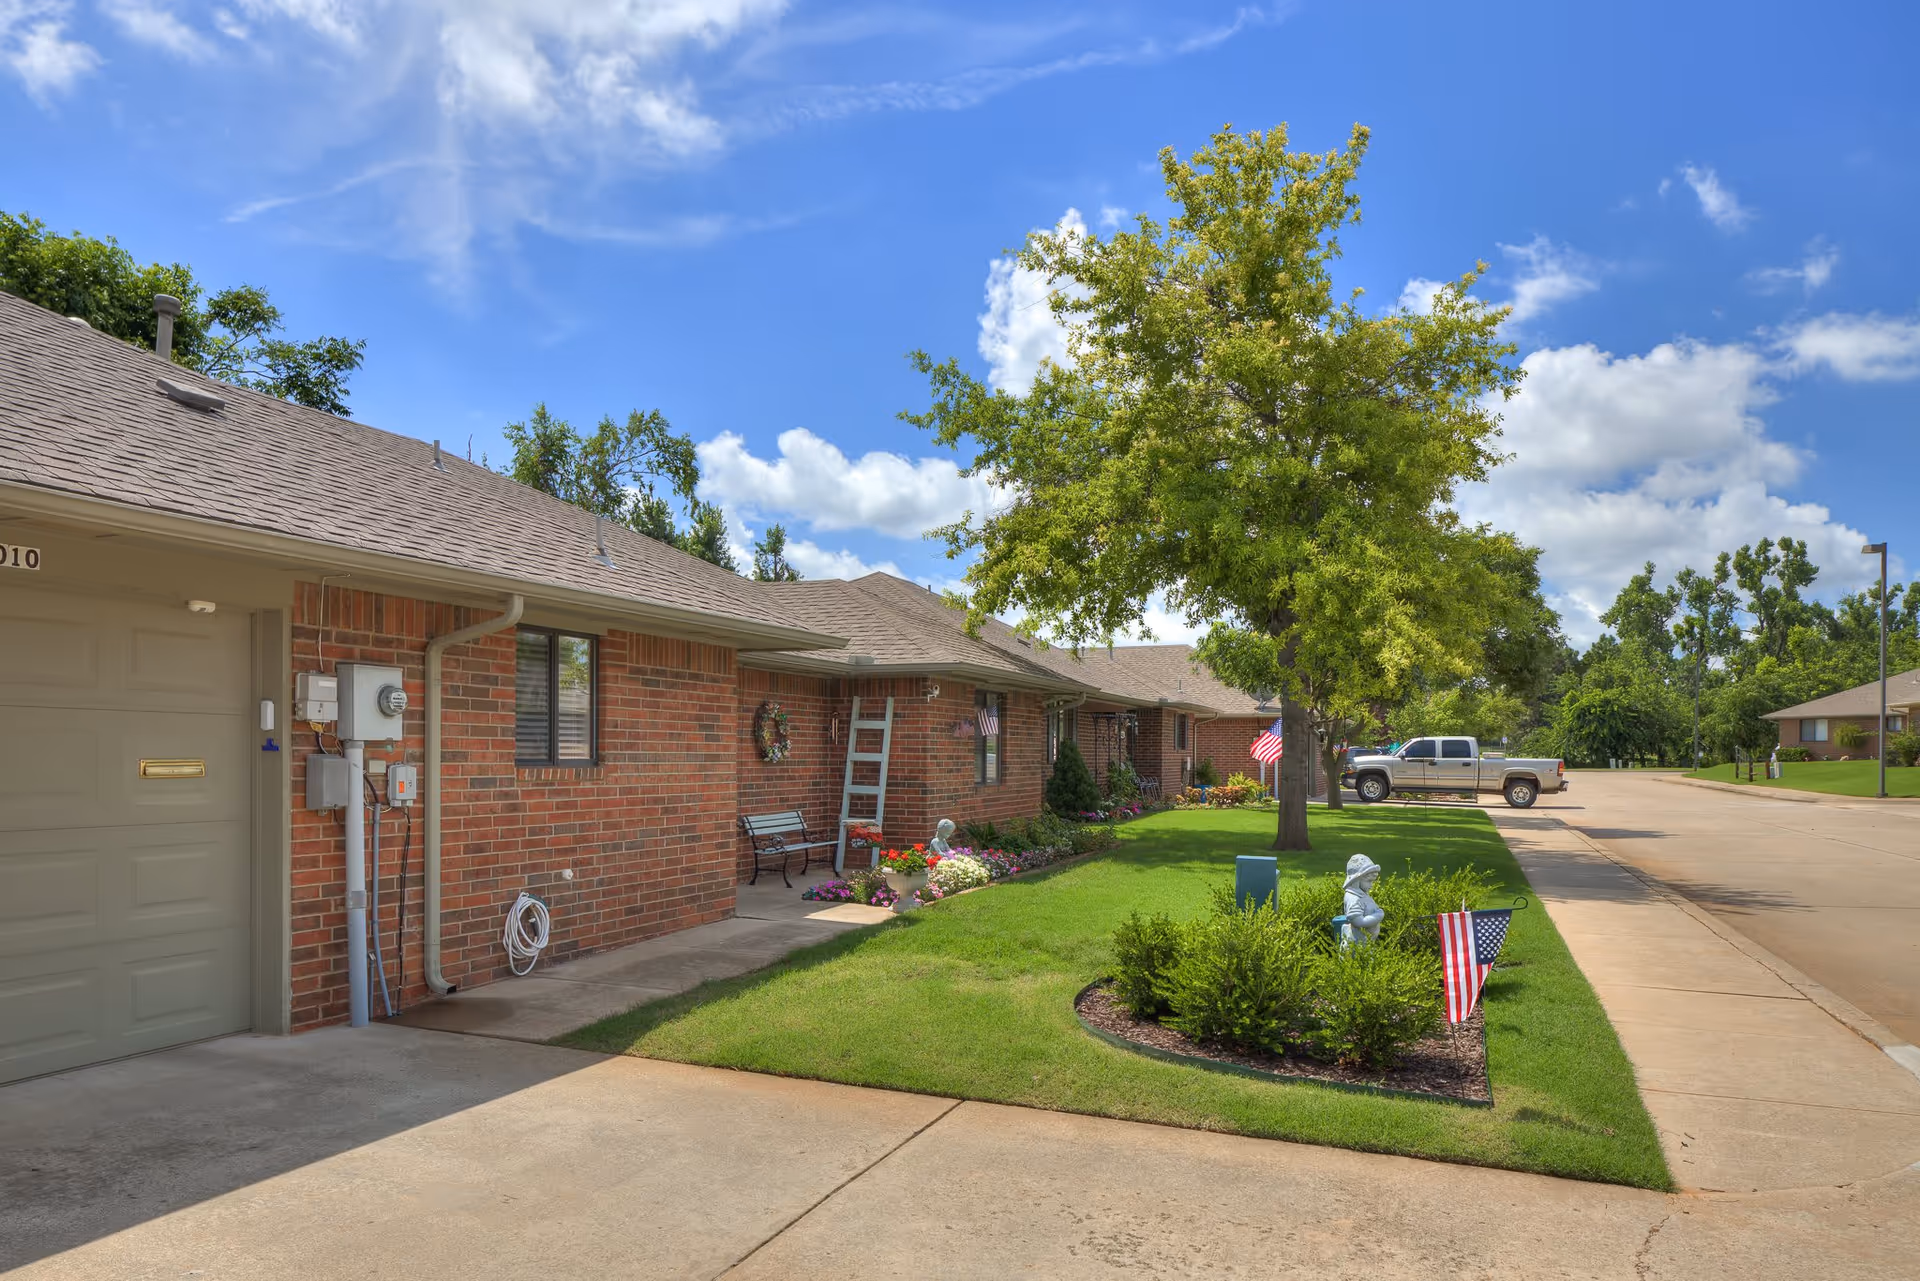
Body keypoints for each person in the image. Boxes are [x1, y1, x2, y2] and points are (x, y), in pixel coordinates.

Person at [1341, 853, 1384, 947]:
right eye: (1369, 881)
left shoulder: (1361, 894)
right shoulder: (1354, 898)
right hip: (1356, 946)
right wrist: (1378, 916)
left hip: (1366, 944)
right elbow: (1358, 922)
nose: (1371, 885)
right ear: (1356, 879)